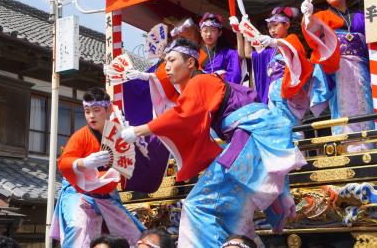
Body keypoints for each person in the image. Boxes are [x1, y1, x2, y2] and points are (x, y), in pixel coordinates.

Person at [120, 38, 306, 247]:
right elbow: (177, 105)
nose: (167, 67)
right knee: (232, 212)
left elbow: (182, 115)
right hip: (251, 140)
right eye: (165, 63)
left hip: (248, 140)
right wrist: (143, 78)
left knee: (197, 206)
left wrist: (139, 130)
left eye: (171, 60)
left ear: (190, 63)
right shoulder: (204, 83)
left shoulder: (200, 82)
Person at [50, 88, 145, 247]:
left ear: (108, 110)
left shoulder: (119, 135)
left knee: (135, 234)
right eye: (87, 111)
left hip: (106, 196)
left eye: (96, 110)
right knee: (79, 226)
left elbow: (129, 167)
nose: (91, 116)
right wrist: (84, 162)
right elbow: (63, 162)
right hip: (78, 193)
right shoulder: (81, 136)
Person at [301, 0, 377, 151]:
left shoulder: (361, 17)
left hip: (362, 68)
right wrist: (308, 16)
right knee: (343, 108)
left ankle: (372, 149)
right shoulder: (321, 16)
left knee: (367, 106)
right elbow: (312, 33)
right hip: (338, 68)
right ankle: (348, 153)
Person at [242, 7, 314, 131]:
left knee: (289, 126)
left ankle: (295, 149)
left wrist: (275, 42)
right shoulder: (272, 50)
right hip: (274, 92)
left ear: (287, 25)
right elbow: (248, 54)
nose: (272, 30)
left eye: (275, 25)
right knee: (276, 127)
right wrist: (244, 30)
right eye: (269, 27)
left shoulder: (291, 40)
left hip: (287, 91)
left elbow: (291, 47)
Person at [199, 13, 244, 84]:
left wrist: (238, 32)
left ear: (219, 33)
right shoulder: (194, 54)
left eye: (213, 30)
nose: (208, 34)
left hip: (220, 90)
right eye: (205, 31)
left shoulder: (227, 53)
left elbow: (240, 56)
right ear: (201, 33)